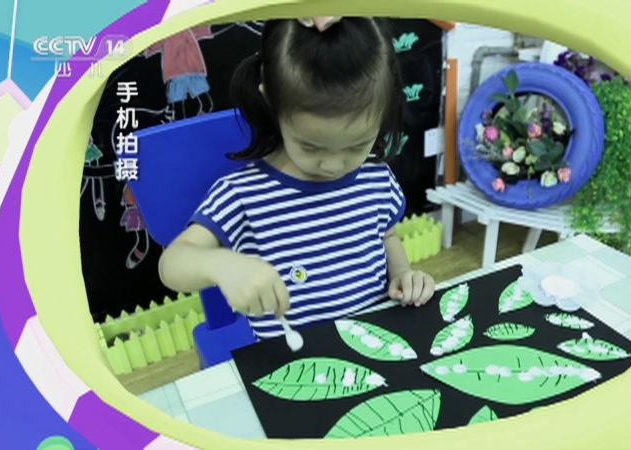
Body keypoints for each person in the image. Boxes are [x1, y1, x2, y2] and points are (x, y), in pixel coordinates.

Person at [158, 17, 436, 341]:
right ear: (271, 101)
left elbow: (387, 235)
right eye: (310, 146)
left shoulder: (376, 177)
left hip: (373, 342)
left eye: (357, 146)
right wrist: (221, 265)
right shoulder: (242, 195)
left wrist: (402, 273)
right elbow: (172, 263)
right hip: (292, 359)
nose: (333, 165)